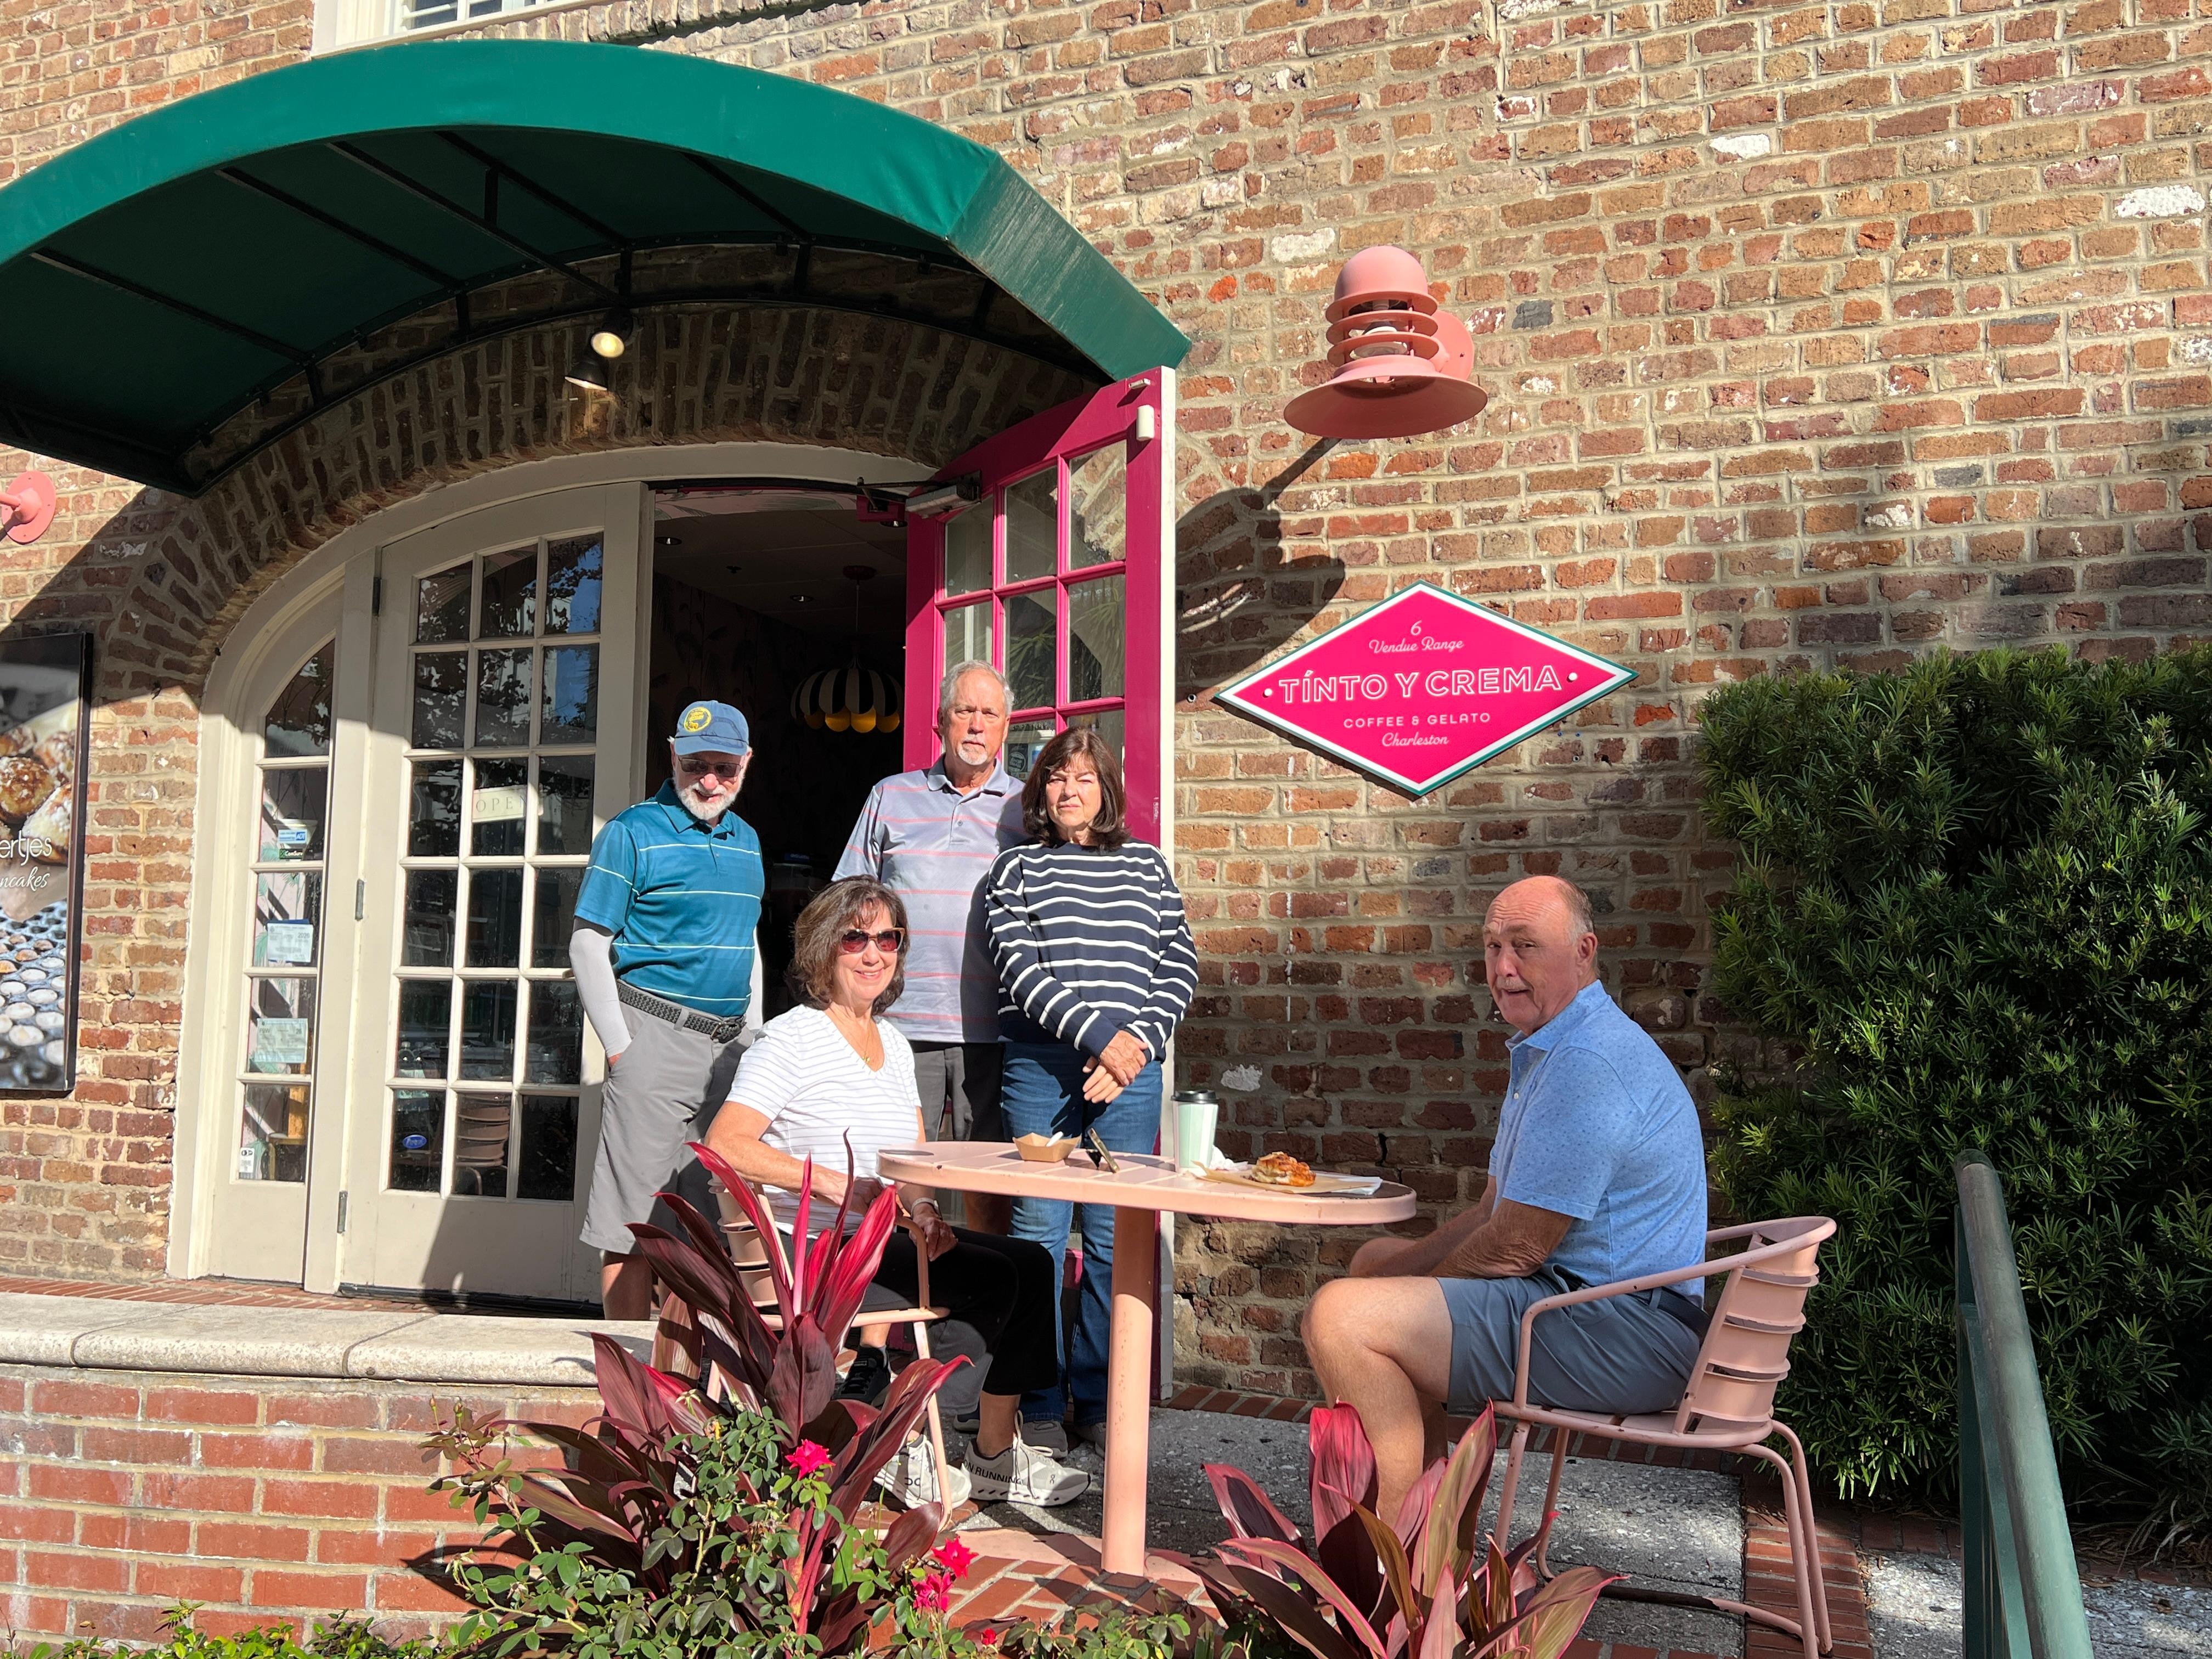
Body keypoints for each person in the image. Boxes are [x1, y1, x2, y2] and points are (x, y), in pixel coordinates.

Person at [1300, 875, 1709, 1518]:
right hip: (1584, 1306)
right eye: (1493, 947)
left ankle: (1393, 1552)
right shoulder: (1556, 1048)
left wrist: (1410, 1297)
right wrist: (1399, 1284)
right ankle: (1431, 1527)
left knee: (1342, 1317)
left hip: (1626, 1330)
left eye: (1525, 945)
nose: (1503, 967)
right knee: (1371, 1265)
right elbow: (1491, 1212)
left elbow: (1518, 1246)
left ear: (1584, 952)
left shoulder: (1588, 1063)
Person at [703, 877, 1090, 1509]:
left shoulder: (894, 1044)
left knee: (1029, 1262)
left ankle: (994, 1458)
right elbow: (725, 1143)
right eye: (855, 938)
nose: (874, 953)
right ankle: (895, 1438)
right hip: (815, 1255)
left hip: (877, 1240)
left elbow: (909, 1163)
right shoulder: (791, 1039)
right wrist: (838, 1185)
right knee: (990, 1283)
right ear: (824, 948)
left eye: (888, 939)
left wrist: (926, 1209)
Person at [983, 727, 1197, 1453]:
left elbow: (1179, 960)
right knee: (1039, 1238)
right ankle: (1039, 1399)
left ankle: (1102, 1398)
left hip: (1130, 1076)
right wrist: (1104, 1038)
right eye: (1055, 777)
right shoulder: (1016, 869)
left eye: (1083, 777)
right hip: (1041, 1068)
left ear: (1106, 789)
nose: (1069, 790)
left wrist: (1133, 1045)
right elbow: (1019, 969)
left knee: (1114, 1241)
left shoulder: (1147, 866)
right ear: (1040, 792)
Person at [572, 700, 767, 1321]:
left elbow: (747, 941)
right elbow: (587, 943)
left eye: (724, 767)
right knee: (633, 1225)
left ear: (746, 763)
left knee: (712, 1224)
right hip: (654, 1034)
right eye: (695, 764)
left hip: (730, 1050)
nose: (709, 780)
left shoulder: (748, 840)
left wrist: (755, 1036)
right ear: (673, 755)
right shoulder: (632, 831)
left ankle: (693, 1366)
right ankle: (631, 1372)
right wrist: (620, 1048)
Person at [834, 661, 1025, 1235]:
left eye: (989, 713)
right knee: (899, 1178)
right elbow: (846, 903)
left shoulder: (1025, 809)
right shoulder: (890, 796)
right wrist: (847, 1009)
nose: (976, 724)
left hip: (991, 1030)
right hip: (898, 1026)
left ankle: (982, 1291)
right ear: (941, 721)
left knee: (987, 1184)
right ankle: (897, 1295)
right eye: (964, 711)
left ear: (1006, 727)